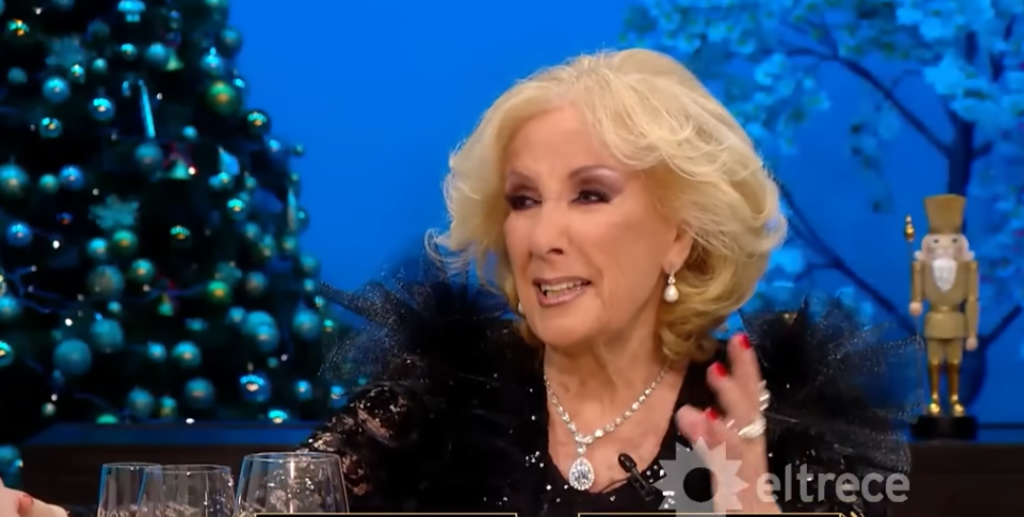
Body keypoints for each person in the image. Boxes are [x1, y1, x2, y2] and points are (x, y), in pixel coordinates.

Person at [0, 48, 911, 517]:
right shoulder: (425, 406)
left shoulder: (778, 432)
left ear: (680, 233)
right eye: (523, 200)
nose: (542, 237)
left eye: (590, 195)